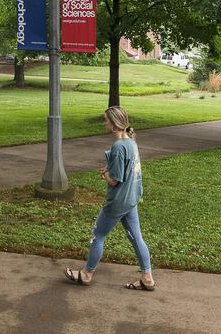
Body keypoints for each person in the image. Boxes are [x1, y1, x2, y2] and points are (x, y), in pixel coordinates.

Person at [64, 106, 155, 291]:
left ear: (114, 125)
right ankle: (147, 278)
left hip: (117, 202)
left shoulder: (119, 147)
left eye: (106, 120)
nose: (104, 123)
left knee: (98, 236)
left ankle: (87, 274)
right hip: (131, 198)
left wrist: (104, 173)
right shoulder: (131, 142)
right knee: (137, 238)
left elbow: (115, 180)